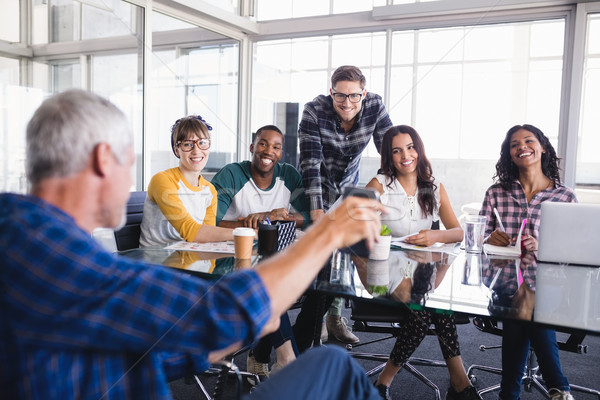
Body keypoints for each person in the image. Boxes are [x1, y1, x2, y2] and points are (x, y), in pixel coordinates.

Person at [0, 89, 387, 400]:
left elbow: (170, 342)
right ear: (104, 159)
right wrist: (329, 232)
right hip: (178, 271)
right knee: (334, 365)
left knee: (326, 363)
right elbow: (221, 311)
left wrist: (251, 314)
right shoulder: (54, 257)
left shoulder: (20, 231)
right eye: (129, 161)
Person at [364, 125, 479, 400]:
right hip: (384, 272)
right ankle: (458, 385)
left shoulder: (434, 186)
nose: (406, 155)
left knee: (437, 308)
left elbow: (458, 232)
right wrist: (380, 233)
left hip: (421, 272)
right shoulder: (379, 185)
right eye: (397, 150)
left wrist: (434, 235)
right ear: (388, 157)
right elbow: (353, 226)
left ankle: (386, 384)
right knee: (428, 308)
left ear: (419, 149)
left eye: (410, 147)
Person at [296, 65, 394, 347]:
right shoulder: (314, 110)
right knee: (324, 258)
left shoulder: (374, 105)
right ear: (331, 92)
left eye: (354, 96)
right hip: (319, 186)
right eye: (340, 96)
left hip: (350, 186)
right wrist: (317, 213)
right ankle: (315, 322)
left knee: (348, 254)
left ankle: (333, 317)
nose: (347, 103)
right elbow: (310, 163)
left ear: (363, 93)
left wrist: (387, 187)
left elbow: (389, 151)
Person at [479, 124, 577, 400]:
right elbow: (478, 240)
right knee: (523, 303)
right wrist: (491, 239)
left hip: (552, 288)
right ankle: (559, 386)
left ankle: (509, 394)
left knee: (526, 306)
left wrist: (543, 246)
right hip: (503, 282)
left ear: (542, 147)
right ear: (509, 154)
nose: (521, 146)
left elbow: (574, 251)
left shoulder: (564, 197)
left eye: (528, 140)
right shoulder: (496, 193)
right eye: (514, 144)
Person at [211, 124, 310, 381]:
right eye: (263, 144)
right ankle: (288, 361)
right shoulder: (232, 174)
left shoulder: (289, 175)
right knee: (268, 283)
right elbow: (211, 222)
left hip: (271, 257)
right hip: (229, 261)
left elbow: (308, 217)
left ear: (282, 153)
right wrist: (259, 219)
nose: (268, 151)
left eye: (276, 147)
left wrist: (281, 218)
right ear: (252, 147)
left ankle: (280, 355)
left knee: (318, 287)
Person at [139, 115, 234, 246]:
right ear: (176, 150)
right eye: (188, 144)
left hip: (189, 257)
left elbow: (208, 238)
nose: (196, 150)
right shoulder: (162, 180)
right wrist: (250, 233)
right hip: (157, 260)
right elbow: (191, 231)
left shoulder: (210, 190)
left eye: (202, 143)